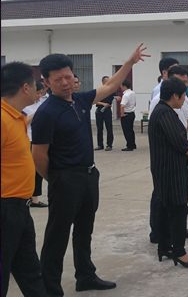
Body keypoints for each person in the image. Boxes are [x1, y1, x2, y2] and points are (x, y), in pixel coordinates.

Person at [31, 44, 149, 296]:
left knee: (85, 230)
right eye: (57, 79)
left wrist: (129, 62)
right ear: (46, 82)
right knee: (57, 236)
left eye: (67, 76)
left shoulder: (80, 100)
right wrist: (57, 178)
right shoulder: (46, 113)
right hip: (65, 178)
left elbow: (111, 86)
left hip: (89, 175)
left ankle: (85, 276)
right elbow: (38, 156)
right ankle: (50, 289)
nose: (65, 83)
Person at [1, 62, 48, 297]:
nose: (38, 90)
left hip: (20, 208)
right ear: (25, 88)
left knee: (31, 273)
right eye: (35, 85)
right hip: (5, 209)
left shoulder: (15, 116)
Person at [149, 77, 188, 268]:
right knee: (178, 210)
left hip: (163, 168)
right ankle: (179, 251)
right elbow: (178, 141)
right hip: (170, 170)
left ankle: (165, 247)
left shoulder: (163, 110)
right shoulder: (165, 113)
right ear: (175, 95)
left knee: (163, 209)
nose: (184, 99)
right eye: (183, 95)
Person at [23, 80, 48, 208]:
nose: (39, 96)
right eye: (37, 93)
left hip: (39, 139)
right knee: (28, 170)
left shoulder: (40, 104)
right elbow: (23, 122)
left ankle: (35, 198)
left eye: (41, 93)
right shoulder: (24, 106)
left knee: (38, 170)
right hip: (28, 139)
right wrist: (36, 115)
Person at [95, 76, 120, 152]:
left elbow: (117, 97)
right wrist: (103, 104)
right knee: (99, 128)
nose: (109, 82)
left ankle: (109, 144)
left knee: (109, 128)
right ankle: (100, 144)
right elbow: (95, 101)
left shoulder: (111, 90)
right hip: (100, 110)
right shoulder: (99, 90)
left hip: (107, 110)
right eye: (107, 81)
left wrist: (117, 98)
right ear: (103, 82)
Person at [119, 79, 137, 151]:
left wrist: (122, 114)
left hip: (126, 114)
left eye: (121, 86)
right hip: (132, 113)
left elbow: (122, 106)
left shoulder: (125, 95)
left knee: (127, 131)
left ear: (124, 86)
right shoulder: (132, 93)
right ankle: (133, 144)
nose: (121, 87)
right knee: (131, 130)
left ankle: (129, 146)